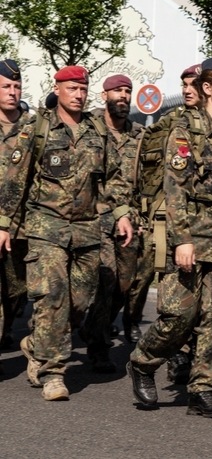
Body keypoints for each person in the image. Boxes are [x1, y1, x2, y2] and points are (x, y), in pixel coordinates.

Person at [127, 55, 212, 418]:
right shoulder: (184, 130)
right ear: (207, 88)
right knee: (177, 318)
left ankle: (203, 389)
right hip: (190, 241)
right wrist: (181, 239)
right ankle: (143, 362)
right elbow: (175, 187)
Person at [0, 65, 134, 401]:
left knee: (80, 302)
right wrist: (3, 223)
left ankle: (36, 342)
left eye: (83, 89)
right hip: (46, 226)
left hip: (87, 230)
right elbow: (16, 178)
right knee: (52, 297)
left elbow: (113, 175)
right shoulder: (38, 128)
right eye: (72, 88)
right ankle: (52, 373)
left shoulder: (96, 130)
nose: (78, 95)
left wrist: (120, 213)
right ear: (57, 89)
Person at [128, 64, 203, 386]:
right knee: (177, 294)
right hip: (168, 218)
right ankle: (177, 352)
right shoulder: (165, 128)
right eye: (184, 84)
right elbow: (143, 176)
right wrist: (142, 216)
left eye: (193, 84)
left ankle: (195, 354)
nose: (187, 90)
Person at [82, 74, 144, 371]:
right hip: (95, 218)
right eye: (117, 91)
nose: (123, 96)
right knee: (105, 284)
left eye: (127, 91)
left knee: (125, 283)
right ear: (104, 95)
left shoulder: (140, 135)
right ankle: (99, 347)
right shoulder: (88, 129)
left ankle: (95, 325)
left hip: (130, 221)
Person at [0, 59, 27, 354]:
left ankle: (8, 330)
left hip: (23, 225)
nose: (12, 92)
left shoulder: (33, 128)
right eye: (6, 86)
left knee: (19, 290)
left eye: (17, 86)